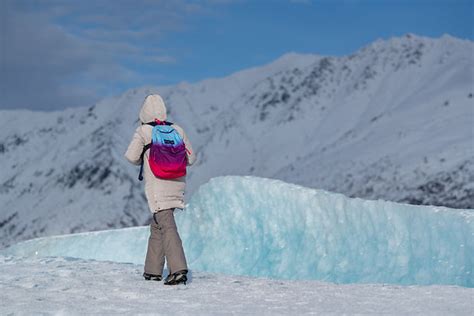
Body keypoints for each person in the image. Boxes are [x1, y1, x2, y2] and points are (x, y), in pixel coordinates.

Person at [125, 94, 196, 285]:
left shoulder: (143, 131)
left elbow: (131, 157)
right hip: (177, 181)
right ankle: (152, 270)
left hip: (157, 183)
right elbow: (191, 158)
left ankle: (178, 269)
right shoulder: (177, 129)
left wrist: (145, 156)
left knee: (166, 222)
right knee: (158, 223)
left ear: (143, 113)